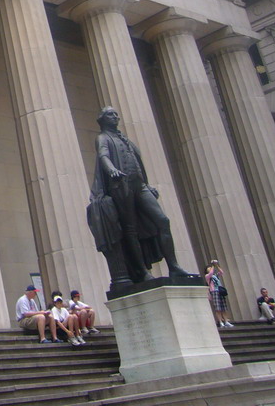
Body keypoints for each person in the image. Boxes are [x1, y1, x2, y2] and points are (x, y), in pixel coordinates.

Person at [87, 107, 191, 289]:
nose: (116, 117)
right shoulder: (103, 138)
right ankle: (142, 271)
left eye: (116, 114)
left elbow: (137, 162)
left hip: (139, 185)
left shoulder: (124, 139)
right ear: (102, 119)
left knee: (162, 220)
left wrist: (147, 185)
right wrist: (112, 170)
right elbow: (103, 156)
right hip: (122, 186)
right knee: (130, 230)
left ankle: (173, 266)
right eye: (111, 114)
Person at [205, 260, 233, 328]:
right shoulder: (207, 276)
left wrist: (216, 265)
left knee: (223, 307)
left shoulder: (215, 275)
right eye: (208, 268)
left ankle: (226, 321)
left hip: (220, 291)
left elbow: (221, 272)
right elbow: (211, 273)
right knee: (218, 308)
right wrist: (212, 265)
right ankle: (220, 322)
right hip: (214, 291)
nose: (210, 268)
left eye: (210, 267)